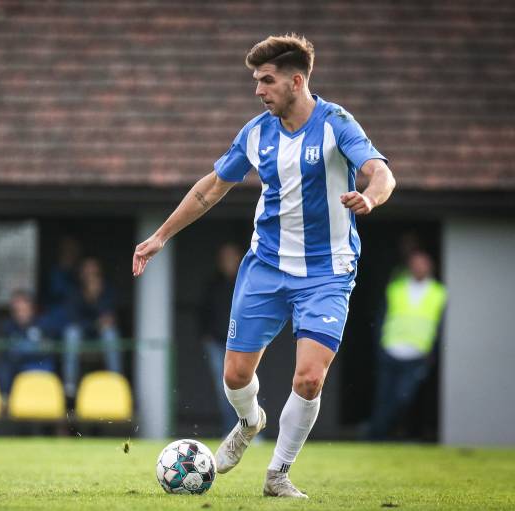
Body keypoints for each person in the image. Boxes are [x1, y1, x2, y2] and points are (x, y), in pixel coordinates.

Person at [133, 34, 395, 498]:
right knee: (235, 376)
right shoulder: (256, 133)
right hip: (267, 267)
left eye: (267, 80)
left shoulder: (336, 123)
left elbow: (380, 171)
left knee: (309, 378)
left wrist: (370, 198)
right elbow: (210, 188)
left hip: (327, 272)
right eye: (256, 81)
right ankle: (250, 420)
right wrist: (160, 236)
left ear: (297, 81)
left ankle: (277, 474)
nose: (258, 90)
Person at [367, 249, 446, 440]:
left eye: (423, 264)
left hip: (417, 354)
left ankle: (383, 433)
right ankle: (377, 436)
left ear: (430, 267)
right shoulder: (396, 288)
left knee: (403, 398)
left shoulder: (439, 292)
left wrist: (432, 354)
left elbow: (440, 327)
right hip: (391, 351)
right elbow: (381, 318)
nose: (419, 267)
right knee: (383, 398)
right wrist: (380, 347)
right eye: (415, 263)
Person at [63, 257, 122, 398]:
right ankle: (70, 384)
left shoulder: (108, 291)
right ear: (81, 274)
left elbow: (109, 319)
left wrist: (96, 299)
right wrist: (90, 300)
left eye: (94, 272)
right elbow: (73, 320)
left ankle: (116, 380)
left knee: (110, 333)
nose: (91, 276)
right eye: (87, 272)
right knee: (71, 333)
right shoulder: (74, 292)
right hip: (82, 336)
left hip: (101, 336)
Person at [201, 243, 242, 435]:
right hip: (217, 343)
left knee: (246, 386)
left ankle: (250, 430)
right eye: (225, 258)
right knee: (223, 388)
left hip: (242, 345)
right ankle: (230, 430)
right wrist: (206, 335)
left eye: (231, 258)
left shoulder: (245, 283)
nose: (228, 262)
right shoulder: (212, 285)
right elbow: (203, 312)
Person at [0, 290, 57, 393]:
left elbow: (47, 349)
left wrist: (25, 349)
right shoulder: (8, 327)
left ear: (32, 309)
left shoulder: (44, 324)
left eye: (23, 310)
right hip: (17, 371)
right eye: (17, 311)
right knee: (4, 368)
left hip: (40, 368)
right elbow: (8, 354)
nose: (20, 314)